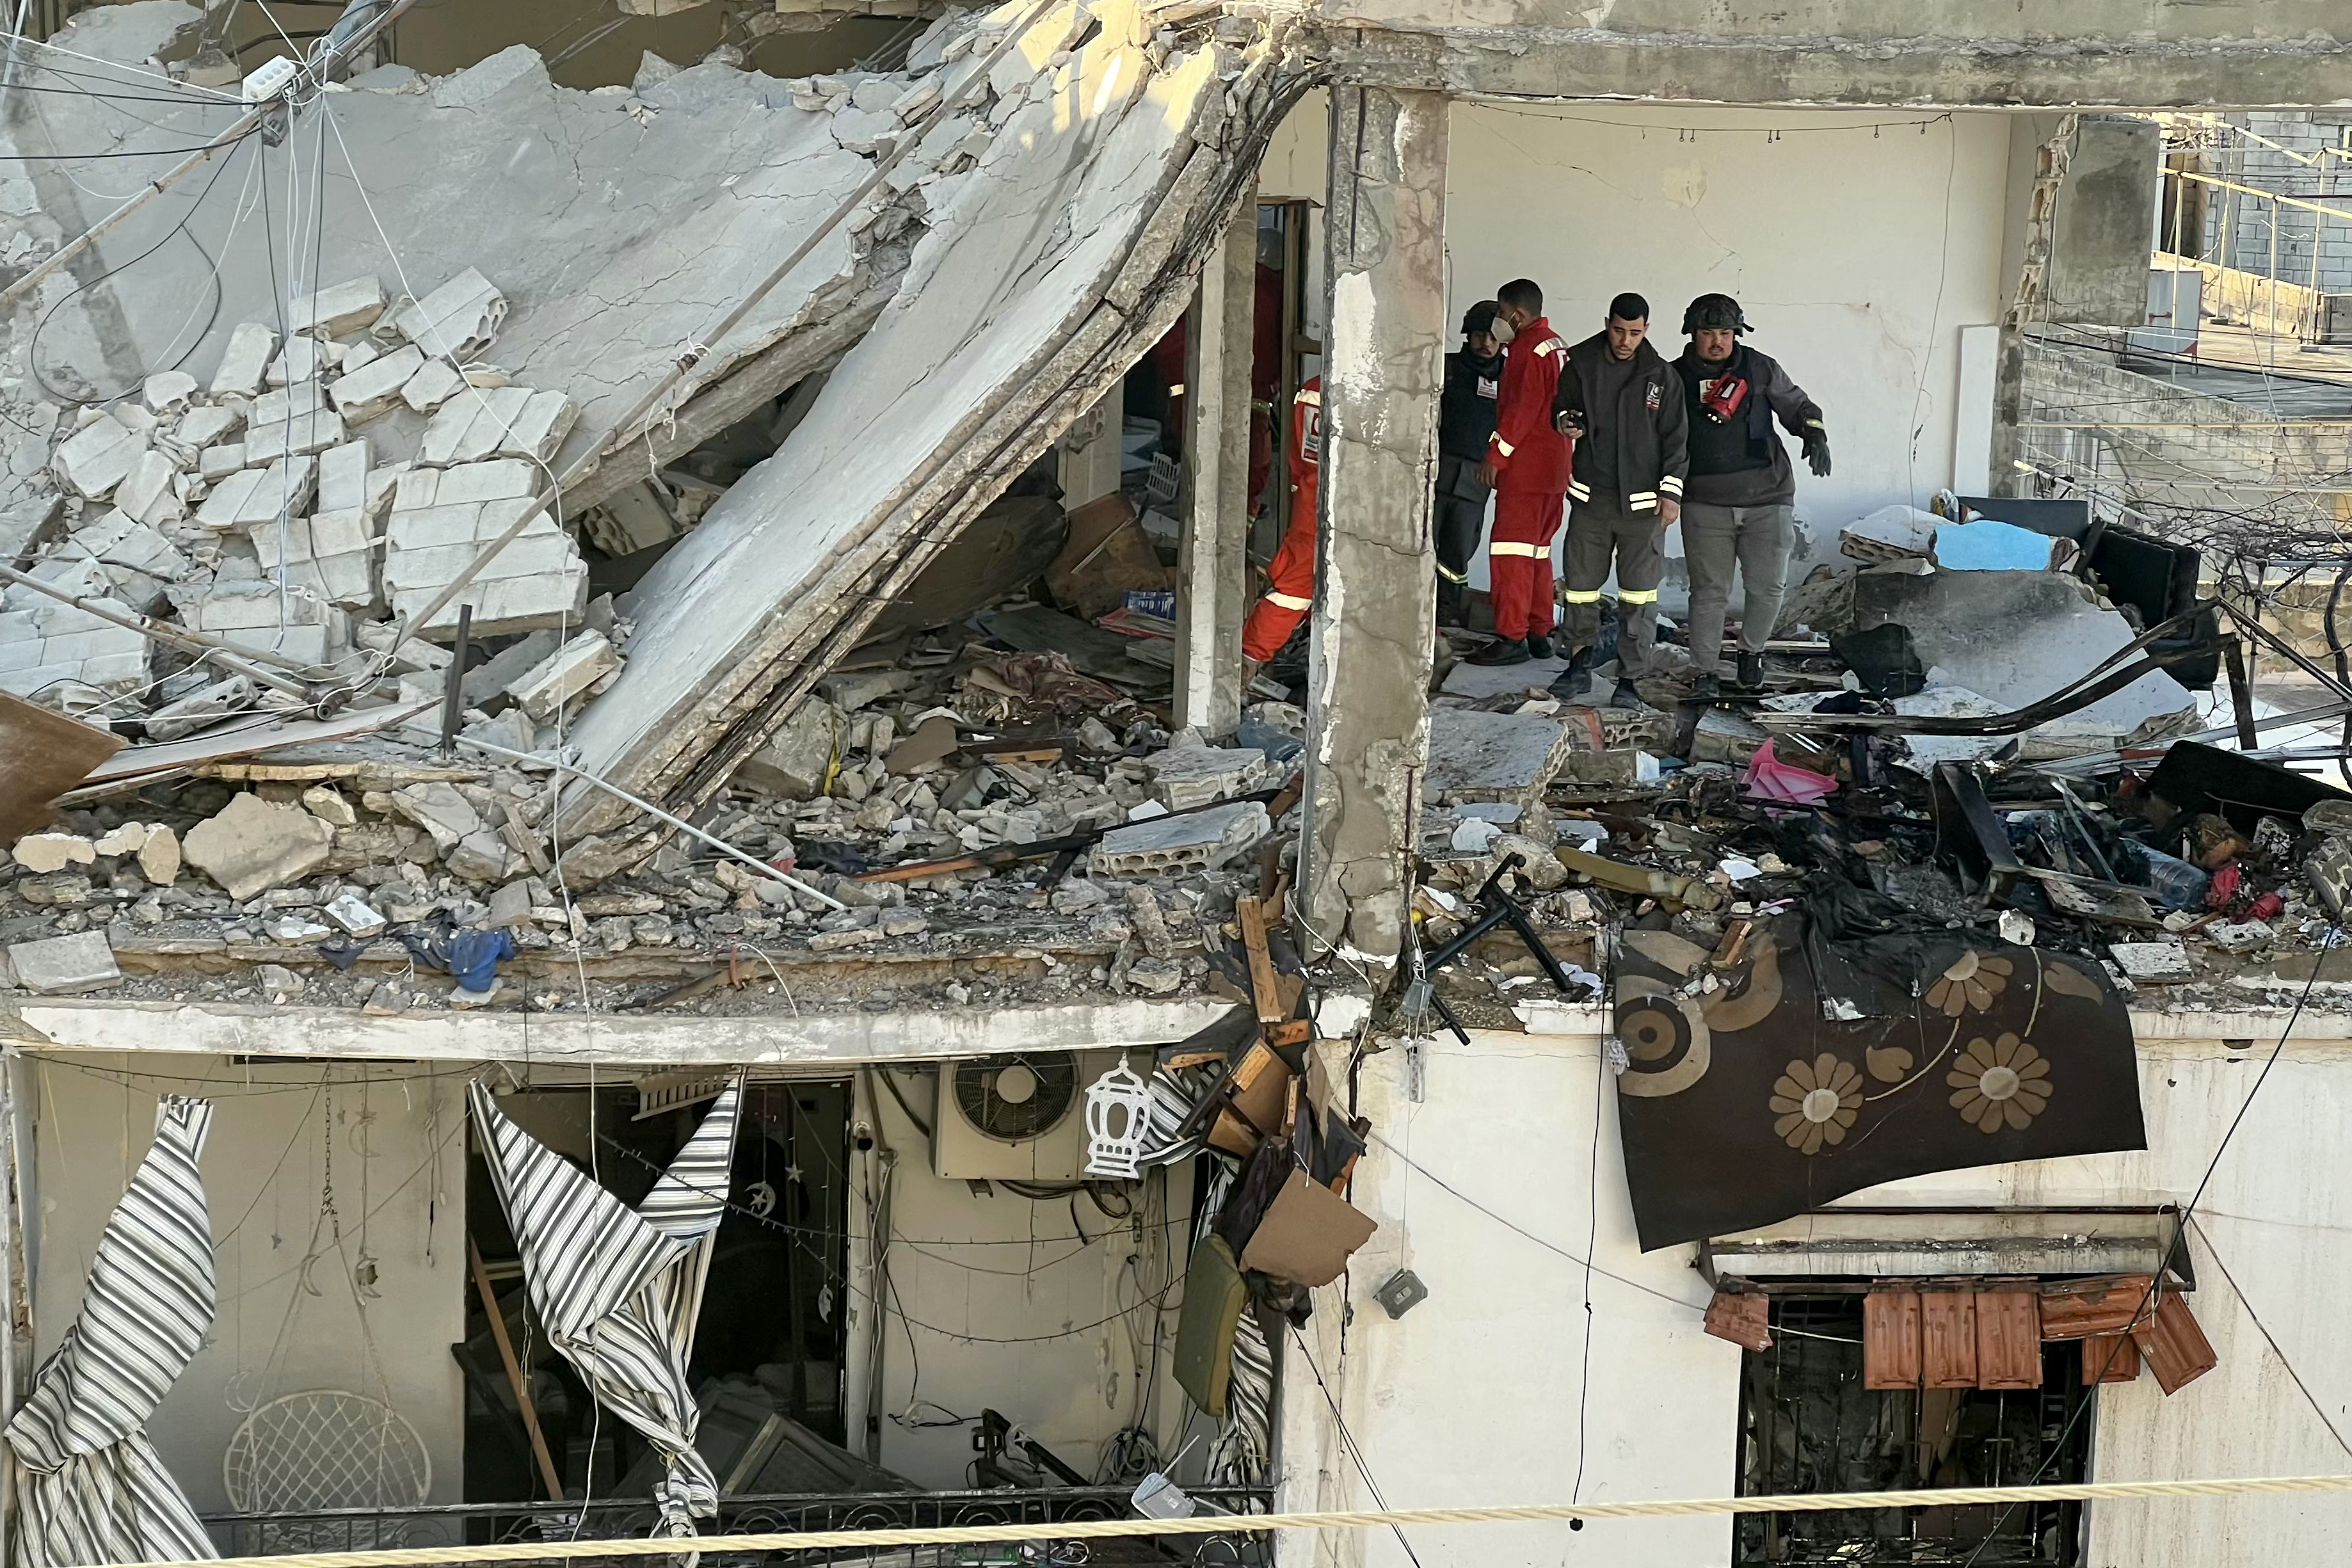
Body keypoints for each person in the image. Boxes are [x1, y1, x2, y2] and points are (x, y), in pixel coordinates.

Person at [1672, 293, 1830, 697]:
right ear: (1693, 334)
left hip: (1768, 496)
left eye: (1726, 333)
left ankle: (1751, 654)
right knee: (1709, 593)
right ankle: (1705, 669)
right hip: (1703, 501)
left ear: (1737, 334)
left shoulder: (1759, 368)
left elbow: (1797, 403)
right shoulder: (1673, 377)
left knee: (1768, 587)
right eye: (1708, 333)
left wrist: (1814, 431)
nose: (1717, 342)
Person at [1550, 292, 1688, 707]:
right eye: (1618, 330)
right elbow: (1562, 408)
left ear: (1645, 329)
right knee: (1579, 590)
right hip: (1591, 502)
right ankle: (1577, 666)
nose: (1625, 340)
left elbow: (1676, 440)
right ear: (1606, 322)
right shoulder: (1581, 365)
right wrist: (1565, 422)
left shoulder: (1661, 377)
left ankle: (1629, 680)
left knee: (1639, 596)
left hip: (1643, 507)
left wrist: (1671, 493)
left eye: (1634, 332)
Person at [1467, 279, 1574, 667]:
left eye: (1500, 312)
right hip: (1555, 468)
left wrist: (1496, 456)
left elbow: (1522, 410)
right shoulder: (1556, 345)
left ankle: (1511, 637)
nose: (1498, 320)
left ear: (1517, 315)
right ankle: (1539, 631)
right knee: (1539, 553)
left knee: (1511, 552)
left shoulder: (1528, 350)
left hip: (1527, 470)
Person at [1240, 375, 1323, 664]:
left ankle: (1249, 661)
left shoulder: (1315, 388)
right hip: (1329, 507)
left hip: (1311, 501)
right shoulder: (1354, 391)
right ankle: (1246, 664)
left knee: (1296, 588)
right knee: (1295, 589)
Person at [1435, 301, 1505, 628]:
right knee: (1423, 544)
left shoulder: (1511, 377)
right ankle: (1422, 610)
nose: (1486, 343)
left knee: (1459, 551)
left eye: (1493, 337)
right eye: (1480, 335)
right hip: (1437, 470)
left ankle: (1452, 612)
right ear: (1468, 335)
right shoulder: (1446, 368)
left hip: (1477, 477)